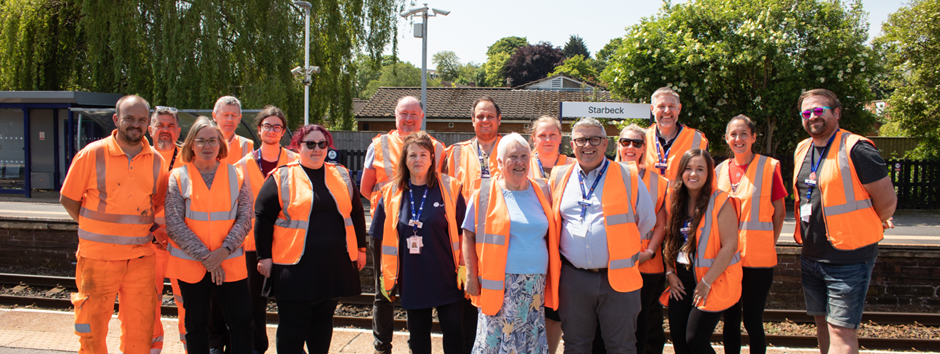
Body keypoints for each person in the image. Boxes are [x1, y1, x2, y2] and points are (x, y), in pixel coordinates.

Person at [60, 95, 168, 354]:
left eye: (142, 120)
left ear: (148, 125)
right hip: (97, 258)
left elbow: (157, 204)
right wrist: (94, 228)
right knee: (92, 331)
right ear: (117, 119)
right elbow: (68, 198)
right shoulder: (93, 153)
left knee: (140, 331)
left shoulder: (156, 161)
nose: (135, 124)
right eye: (129, 118)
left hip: (140, 259)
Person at [793, 89, 896, 354]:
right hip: (812, 255)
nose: (812, 117)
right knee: (823, 326)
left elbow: (886, 202)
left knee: (841, 331)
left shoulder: (857, 148)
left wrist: (869, 222)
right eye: (806, 113)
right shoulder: (803, 148)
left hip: (849, 257)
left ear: (836, 113)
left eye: (819, 111)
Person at [255, 124, 367, 354]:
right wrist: (264, 257)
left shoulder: (342, 174)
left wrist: (361, 250)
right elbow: (262, 218)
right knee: (292, 328)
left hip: (333, 265)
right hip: (294, 267)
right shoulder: (282, 176)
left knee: (322, 323)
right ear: (297, 146)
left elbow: (356, 213)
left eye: (322, 144)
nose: (317, 149)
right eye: (310, 144)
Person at [548, 117, 656, 354]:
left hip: (618, 278)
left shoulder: (628, 176)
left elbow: (647, 220)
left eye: (594, 139)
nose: (588, 145)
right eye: (581, 140)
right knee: (576, 345)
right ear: (572, 144)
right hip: (573, 279)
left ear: (605, 143)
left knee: (622, 347)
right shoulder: (558, 177)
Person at [359, 96, 446, 354]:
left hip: (421, 228)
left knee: (417, 287)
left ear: (422, 116)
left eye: (414, 114)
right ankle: (381, 347)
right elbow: (365, 188)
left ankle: (414, 346)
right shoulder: (378, 145)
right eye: (403, 114)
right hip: (386, 227)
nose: (408, 119)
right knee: (384, 289)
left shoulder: (438, 148)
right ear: (395, 116)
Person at [462, 133, 560, 354]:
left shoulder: (542, 190)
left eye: (524, 156)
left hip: (535, 283)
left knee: (528, 340)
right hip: (501, 284)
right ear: (499, 162)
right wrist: (470, 275)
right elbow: (468, 235)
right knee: (496, 340)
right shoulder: (484, 193)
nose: (520, 162)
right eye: (513, 156)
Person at [164, 117, 254, 354]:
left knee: (242, 322)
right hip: (192, 266)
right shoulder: (178, 176)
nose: (207, 146)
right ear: (191, 145)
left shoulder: (236, 174)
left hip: (230, 264)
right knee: (196, 326)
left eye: (213, 140)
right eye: (201, 140)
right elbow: (174, 224)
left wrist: (222, 252)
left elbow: (245, 218)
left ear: (220, 145)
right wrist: (208, 258)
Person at [371, 131, 466, 354]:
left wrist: (465, 266)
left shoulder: (450, 188)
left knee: (454, 332)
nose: (418, 160)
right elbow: (379, 238)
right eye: (412, 155)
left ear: (432, 159)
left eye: (423, 155)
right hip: (412, 278)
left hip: (448, 276)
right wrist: (385, 274)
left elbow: (464, 233)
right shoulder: (391, 192)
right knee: (418, 336)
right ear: (404, 159)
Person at [592, 124, 669, 354]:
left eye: (637, 143)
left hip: (647, 262)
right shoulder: (603, 174)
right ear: (618, 145)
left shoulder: (659, 182)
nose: (631, 147)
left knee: (642, 319)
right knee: (604, 319)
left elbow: (661, 223)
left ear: (645, 147)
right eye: (626, 142)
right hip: (612, 262)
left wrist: (650, 253)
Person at [716, 115, 787, 354]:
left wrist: (768, 242)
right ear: (726, 139)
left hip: (758, 259)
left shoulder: (769, 167)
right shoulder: (719, 171)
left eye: (744, 134)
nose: (739, 139)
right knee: (731, 320)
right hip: (727, 260)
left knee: (753, 321)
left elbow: (779, 213)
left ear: (754, 137)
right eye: (733, 134)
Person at [660, 149, 741, 354]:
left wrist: (705, 283)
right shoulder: (675, 199)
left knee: (695, 339)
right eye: (688, 168)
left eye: (700, 169)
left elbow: (730, 247)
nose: (693, 174)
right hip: (681, 281)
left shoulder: (721, 201)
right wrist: (670, 273)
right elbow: (668, 240)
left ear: (709, 174)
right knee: (679, 340)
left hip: (711, 281)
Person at [442, 96, 504, 352]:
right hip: (462, 240)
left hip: (500, 240)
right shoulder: (455, 152)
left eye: (490, 116)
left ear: (499, 119)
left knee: (497, 303)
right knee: (464, 307)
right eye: (480, 116)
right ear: (472, 120)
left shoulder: (512, 148)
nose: (485, 120)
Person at [233, 105, 296, 354]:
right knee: (253, 303)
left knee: (290, 302)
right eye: (267, 126)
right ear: (259, 130)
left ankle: (290, 347)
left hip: (288, 243)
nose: (271, 130)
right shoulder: (242, 165)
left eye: (277, 126)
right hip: (252, 244)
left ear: (283, 132)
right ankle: (258, 347)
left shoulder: (295, 161)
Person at [147, 105, 186, 353]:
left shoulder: (190, 156)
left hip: (182, 245)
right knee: (149, 301)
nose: (165, 130)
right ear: (150, 129)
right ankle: (152, 348)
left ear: (179, 130)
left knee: (188, 302)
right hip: (149, 243)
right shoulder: (139, 155)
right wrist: (153, 230)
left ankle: (189, 346)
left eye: (171, 126)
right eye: (160, 125)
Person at [644, 87, 708, 181]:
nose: (667, 110)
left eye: (671, 106)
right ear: (652, 109)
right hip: (647, 196)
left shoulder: (697, 139)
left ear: (679, 108)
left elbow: (706, 179)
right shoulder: (641, 138)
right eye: (661, 106)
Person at [213, 95, 254, 165]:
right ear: (214, 116)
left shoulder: (247, 145)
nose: (230, 120)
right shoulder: (203, 142)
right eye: (225, 115)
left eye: (234, 115)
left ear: (239, 118)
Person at [527, 116, 570, 180]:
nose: (548, 140)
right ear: (534, 140)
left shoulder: (573, 165)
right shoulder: (524, 164)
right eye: (542, 135)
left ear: (560, 137)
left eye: (552, 134)